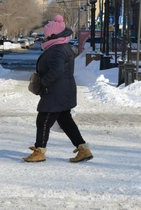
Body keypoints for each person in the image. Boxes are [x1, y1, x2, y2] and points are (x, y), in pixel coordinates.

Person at [23, 15, 93, 163]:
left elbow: (56, 71)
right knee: (66, 122)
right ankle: (83, 149)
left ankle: (39, 151)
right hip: (61, 92)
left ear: (53, 34)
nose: (45, 36)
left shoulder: (57, 50)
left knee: (43, 121)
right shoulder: (61, 47)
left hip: (55, 93)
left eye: (47, 34)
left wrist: (43, 83)